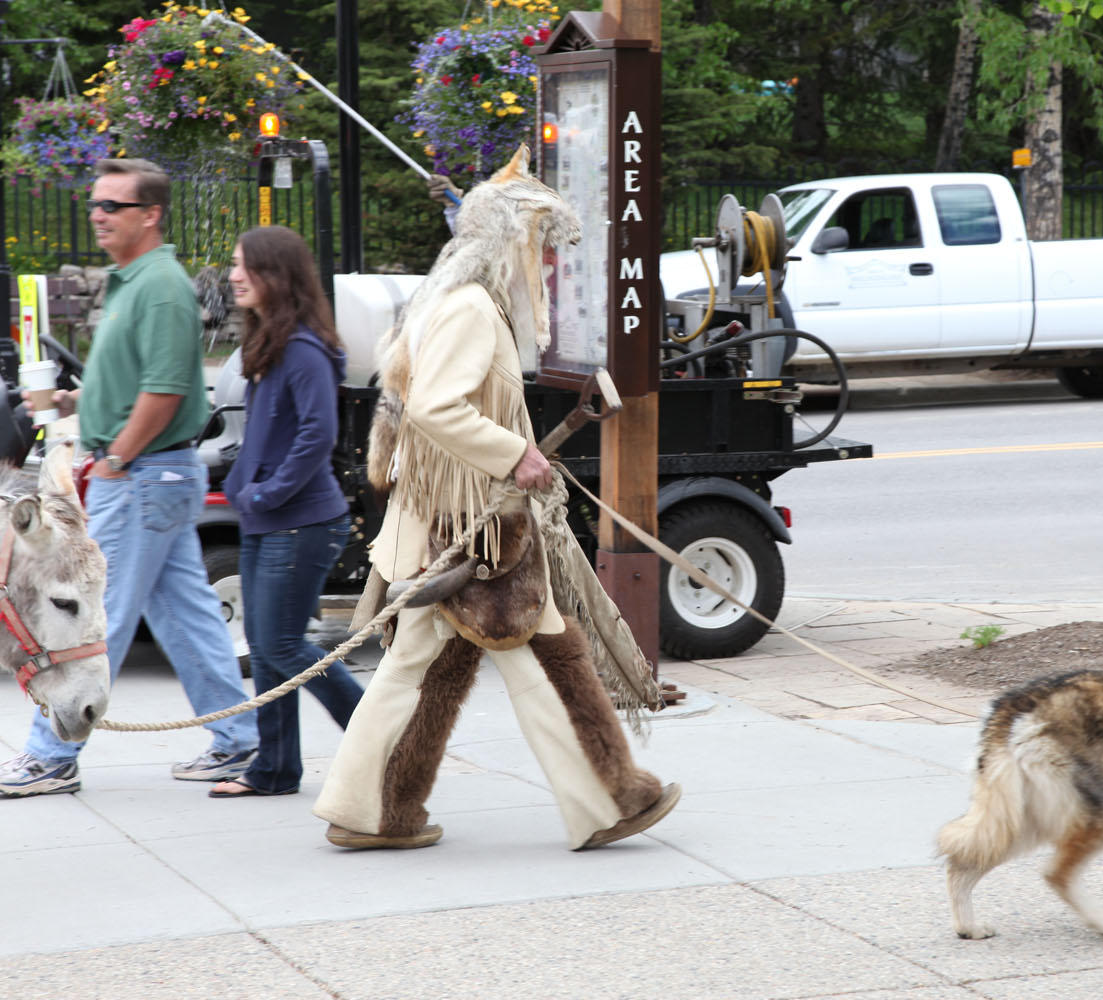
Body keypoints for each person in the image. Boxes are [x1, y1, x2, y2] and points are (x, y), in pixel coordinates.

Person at [313, 145, 679, 850]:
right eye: (541, 247)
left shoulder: (452, 300)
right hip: (472, 533)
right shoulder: (472, 309)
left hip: (460, 530)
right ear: (511, 241)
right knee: (545, 660)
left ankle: (377, 810)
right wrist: (518, 454)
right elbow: (434, 410)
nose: (546, 264)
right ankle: (609, 799)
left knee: (431, 670)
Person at [0, 158, 259, 797]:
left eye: (113, 205)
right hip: (149, 477)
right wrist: (71, 406)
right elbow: (130, 387)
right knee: (187, 616)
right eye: (96, 203)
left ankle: (51, 757)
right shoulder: (132, 282)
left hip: (143, 476)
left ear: (150, 215)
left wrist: (114, 458)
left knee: (91, 614)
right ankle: (238, 741)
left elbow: (166, 391)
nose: (98, 214)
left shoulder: (161, 286)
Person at [207, 226, 366, 798]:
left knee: (281, 647)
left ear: (277, 274)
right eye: (233, 264)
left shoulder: (303, 348)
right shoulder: (272, 342)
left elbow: (317, 434)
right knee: (270, 649)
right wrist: (249, 491)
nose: (233, 275)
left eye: (244, 265)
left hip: (298, 521)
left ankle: (381, 737)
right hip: (266, 519)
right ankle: (273, 771)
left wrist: (266, 492)